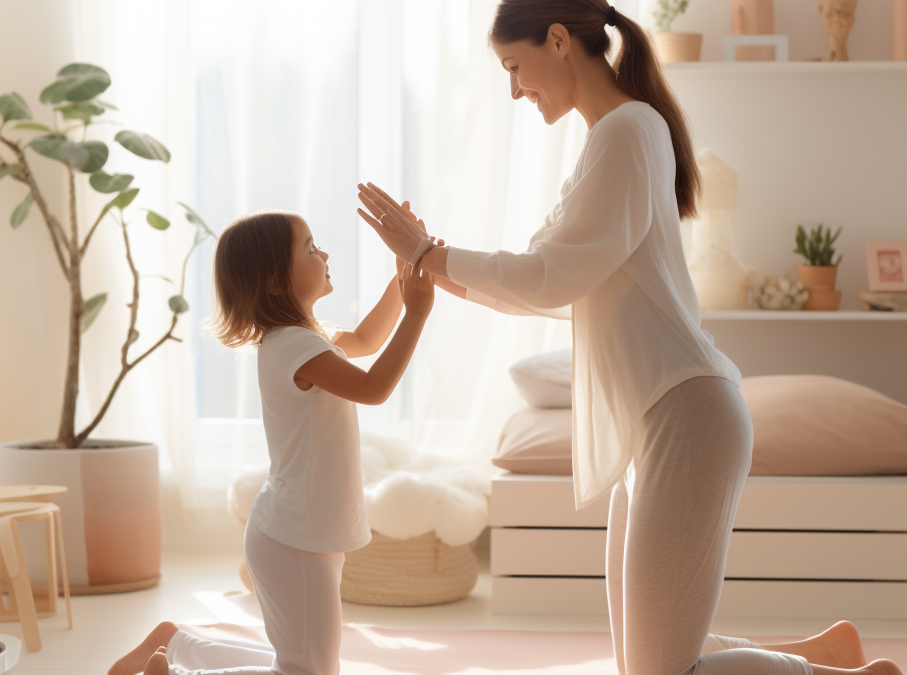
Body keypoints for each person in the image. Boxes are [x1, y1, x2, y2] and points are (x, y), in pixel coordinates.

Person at [355, 2, 902, 675]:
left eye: (514, 67)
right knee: (644, 660)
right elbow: (544, 280)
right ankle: (822, 655)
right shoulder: (608, 141)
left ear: (558, 41)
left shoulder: (625, 133)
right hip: (657, 422)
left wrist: (431, 254)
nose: (514, 89)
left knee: (657, 670)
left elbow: (550, 276)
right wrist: (424, 258)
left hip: (686, 416)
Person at [109, 209, 434, 675]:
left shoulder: (301, 337)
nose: (323, 253)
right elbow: (375, 388)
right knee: (307, 671)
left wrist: (403, 279)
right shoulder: (295, 346)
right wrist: (418, 314)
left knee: (304, 664)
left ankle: (174, 646)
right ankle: (177, 668)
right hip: (295, 537)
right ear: (277, 281)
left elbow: (367, 337)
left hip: (300, 532)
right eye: (309, 248)